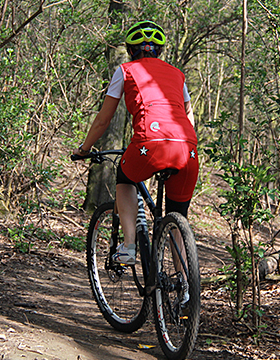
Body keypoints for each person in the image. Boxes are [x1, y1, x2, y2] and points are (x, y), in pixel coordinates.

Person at [73, 20, 198, 266]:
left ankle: (129, 247)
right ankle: (186, 290)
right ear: (159, 51)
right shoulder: (178, 75)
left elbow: (103, 119)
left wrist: (84, 149)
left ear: (131, 51)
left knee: (125, 176)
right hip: (187, 148)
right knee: (177, 220)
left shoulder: (125, 70)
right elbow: (189, 115)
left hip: (149, 144)